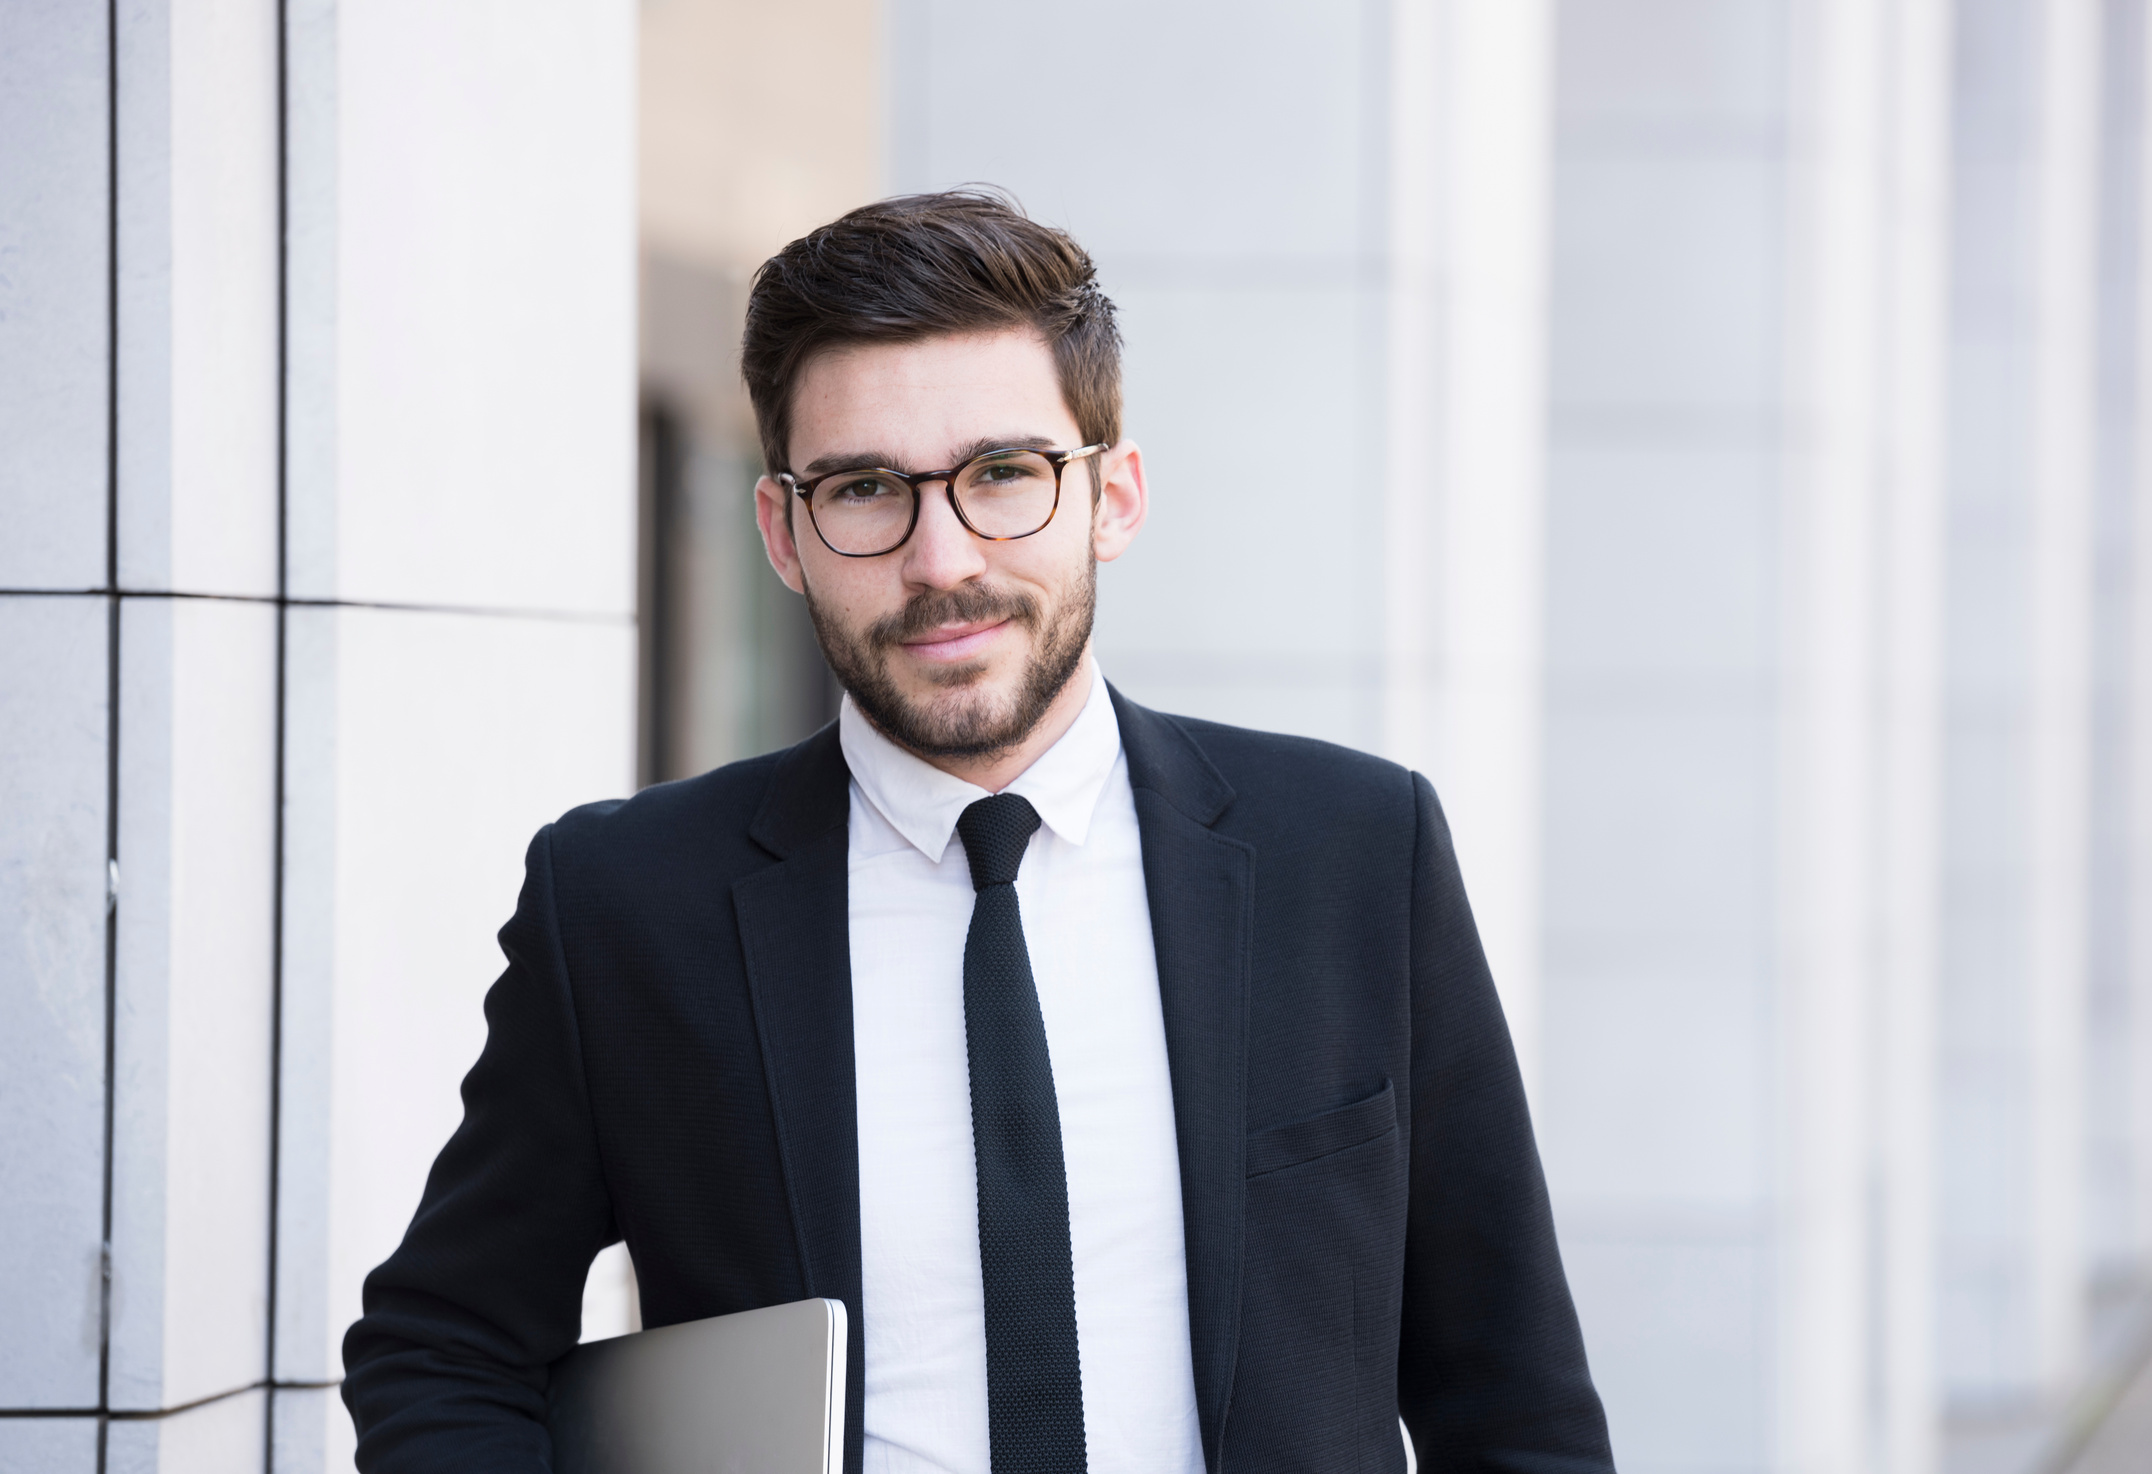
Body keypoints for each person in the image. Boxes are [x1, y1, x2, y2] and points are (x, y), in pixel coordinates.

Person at [341, 189, 1613, 1474]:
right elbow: (444, 1341)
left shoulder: (1351, 853)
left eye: (1004, 473)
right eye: (864, 488)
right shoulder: (625, 906)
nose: (942, 558)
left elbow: (1513, 1400)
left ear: (1112, 495)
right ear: (784, 532)